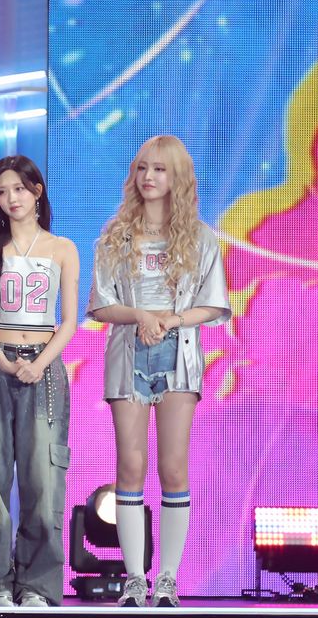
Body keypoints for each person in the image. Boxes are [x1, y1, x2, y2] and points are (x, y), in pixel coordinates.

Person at [88, 135, 230, 608]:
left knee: (173, 466)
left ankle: (167, 579)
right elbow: (101, 306)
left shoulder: (201, 237)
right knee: (129, 466)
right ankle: (135, 579)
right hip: (128, 354)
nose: (149, 177)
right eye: (143, 168)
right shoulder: (115, 236)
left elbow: (214, 305)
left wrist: (171, 320)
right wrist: (140, 316)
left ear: (177, 177)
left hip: (178, 356)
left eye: (160, 169)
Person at [0, 156, 79, 608]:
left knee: (43, 480)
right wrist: (4, 360)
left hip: (44, 370)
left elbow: (68, 322)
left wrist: (39, 363)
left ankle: (37, 587)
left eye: (18, 189)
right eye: (1, 191)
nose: (10, 198)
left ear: (36, 191)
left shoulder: (62, 248)